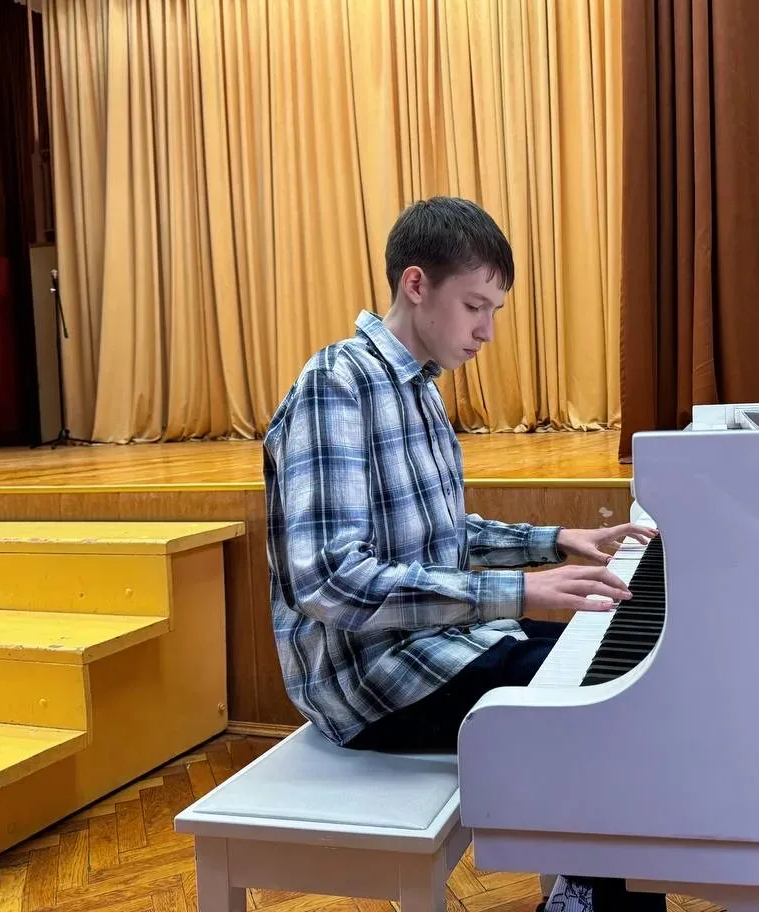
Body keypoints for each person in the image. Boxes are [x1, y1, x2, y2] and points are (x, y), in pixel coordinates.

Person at [262, 196, 665, 912]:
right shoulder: (336, 385)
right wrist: (520, 592)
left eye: (494, 311)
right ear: (416, 285)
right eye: (475, 306)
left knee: (617, 669)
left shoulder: (417, 388)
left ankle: (586, 887)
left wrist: (553, 541)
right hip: (371, 680)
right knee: (602, 712)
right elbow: (329, 579)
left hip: (433, 644)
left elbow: (442, 533)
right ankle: (591, 895)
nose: (486, 331)